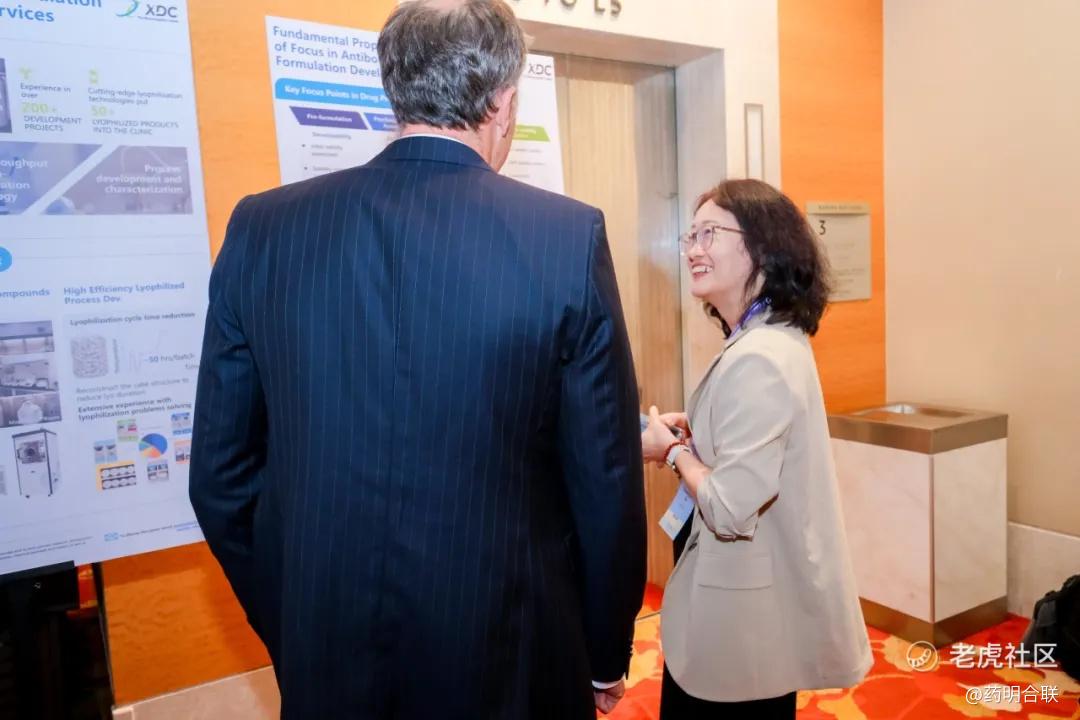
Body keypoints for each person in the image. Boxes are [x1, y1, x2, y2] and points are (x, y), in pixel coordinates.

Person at [189, 1, 647, 717]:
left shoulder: (264, 229)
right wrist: (603, 650)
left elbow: (220, 479)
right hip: (511, 656)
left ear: (393, 89)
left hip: (327, 655)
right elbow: (605, 481)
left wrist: (299, 616)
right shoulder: (566, 238)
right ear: (503, 102)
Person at [642, 179, 872, 719]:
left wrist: (672, 453)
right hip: (750, 612)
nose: (693, 250)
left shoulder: (760, 356)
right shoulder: (764, 338)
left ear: (762, 248)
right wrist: (699, 431)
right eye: (690, 236)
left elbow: (728, 508)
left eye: (709, 233)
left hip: (741, 625)